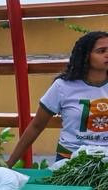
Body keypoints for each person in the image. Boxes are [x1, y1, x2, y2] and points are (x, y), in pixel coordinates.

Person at [7, 31, 108, 164]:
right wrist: (9, 163)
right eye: (101, 51)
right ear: (85, 56)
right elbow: (36, 126)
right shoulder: (62, 87)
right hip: (69, 161)